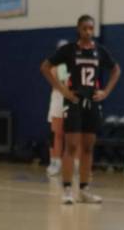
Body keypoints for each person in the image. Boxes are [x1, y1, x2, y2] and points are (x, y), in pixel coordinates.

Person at [40, 15, 121, 204]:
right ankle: (67, 189)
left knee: (88, 148)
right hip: (74, 101)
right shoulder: (68, 50)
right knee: (72, 146)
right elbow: (45, 67)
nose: (88, 32)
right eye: (85, 28)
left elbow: (116, 69)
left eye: (91, 29)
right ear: (78, 29)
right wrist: (62, 90)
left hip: (92, 102)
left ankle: (84, 189)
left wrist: (106, 92)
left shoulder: (99, 51)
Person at [46, 39, 69, 177]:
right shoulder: (55, 66)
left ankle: (72, 164)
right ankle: (55, 162)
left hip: (68, 99)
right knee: (56, 133)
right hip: (58, 99)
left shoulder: (70, 65)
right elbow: (57, 82)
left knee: (70, 134)